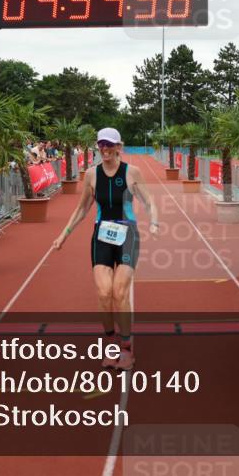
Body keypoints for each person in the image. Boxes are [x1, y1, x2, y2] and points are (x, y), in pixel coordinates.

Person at [52, 127, 159, 370]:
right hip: (101, 234)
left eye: (109, 144)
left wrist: (154, 221)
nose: (105, 149)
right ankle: (111, 345)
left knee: (119, 293)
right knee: (103, 293)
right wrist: (63, 235)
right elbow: (82, 209)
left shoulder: (133, 172)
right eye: (101, 144)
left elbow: (150, 201)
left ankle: (127, 348)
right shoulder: (91, 175)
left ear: (119, 147)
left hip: (127, 235)